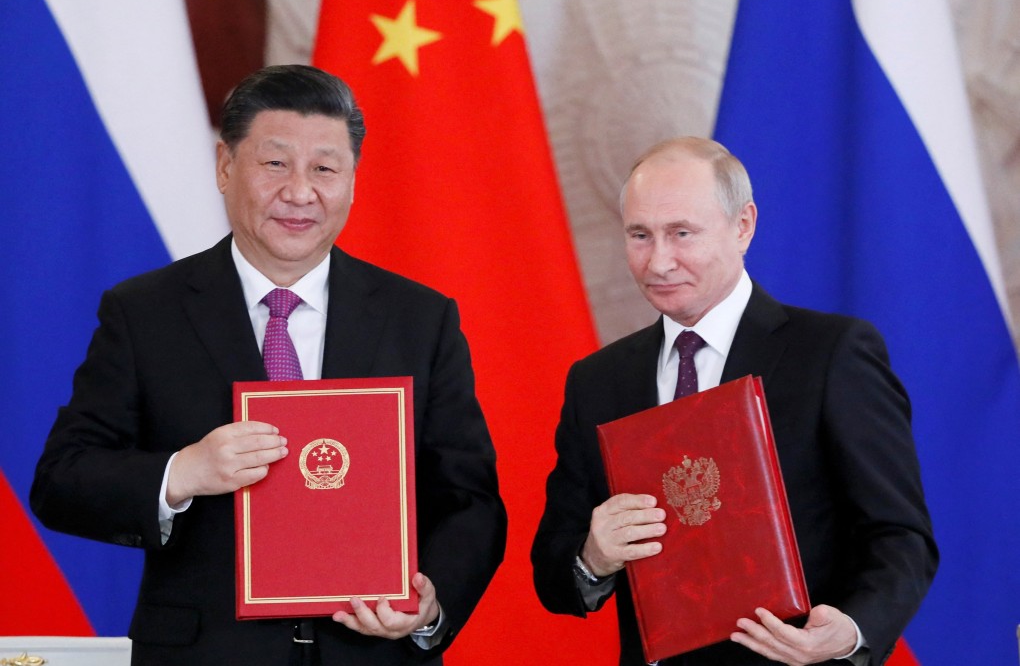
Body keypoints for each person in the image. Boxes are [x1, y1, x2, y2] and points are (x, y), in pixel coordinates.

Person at [31, 65, 507, 665]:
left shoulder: (420, 318)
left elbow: (471, 500)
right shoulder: (144, 313)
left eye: (325, 169)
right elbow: (61, 480)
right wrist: (182, 473)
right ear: (226, 166)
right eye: (275, 163)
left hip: (369, 654)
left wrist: (430, 603)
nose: (301, 192)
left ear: (353, 180)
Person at [531, 137, 937, 665]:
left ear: (743, 225)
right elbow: (553, 576)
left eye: (682, 234)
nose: (659, 261)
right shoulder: (598, 381)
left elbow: (901, 536)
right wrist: (593, 557)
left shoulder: (831, 354)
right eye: (639, 235)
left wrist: (850, 630)